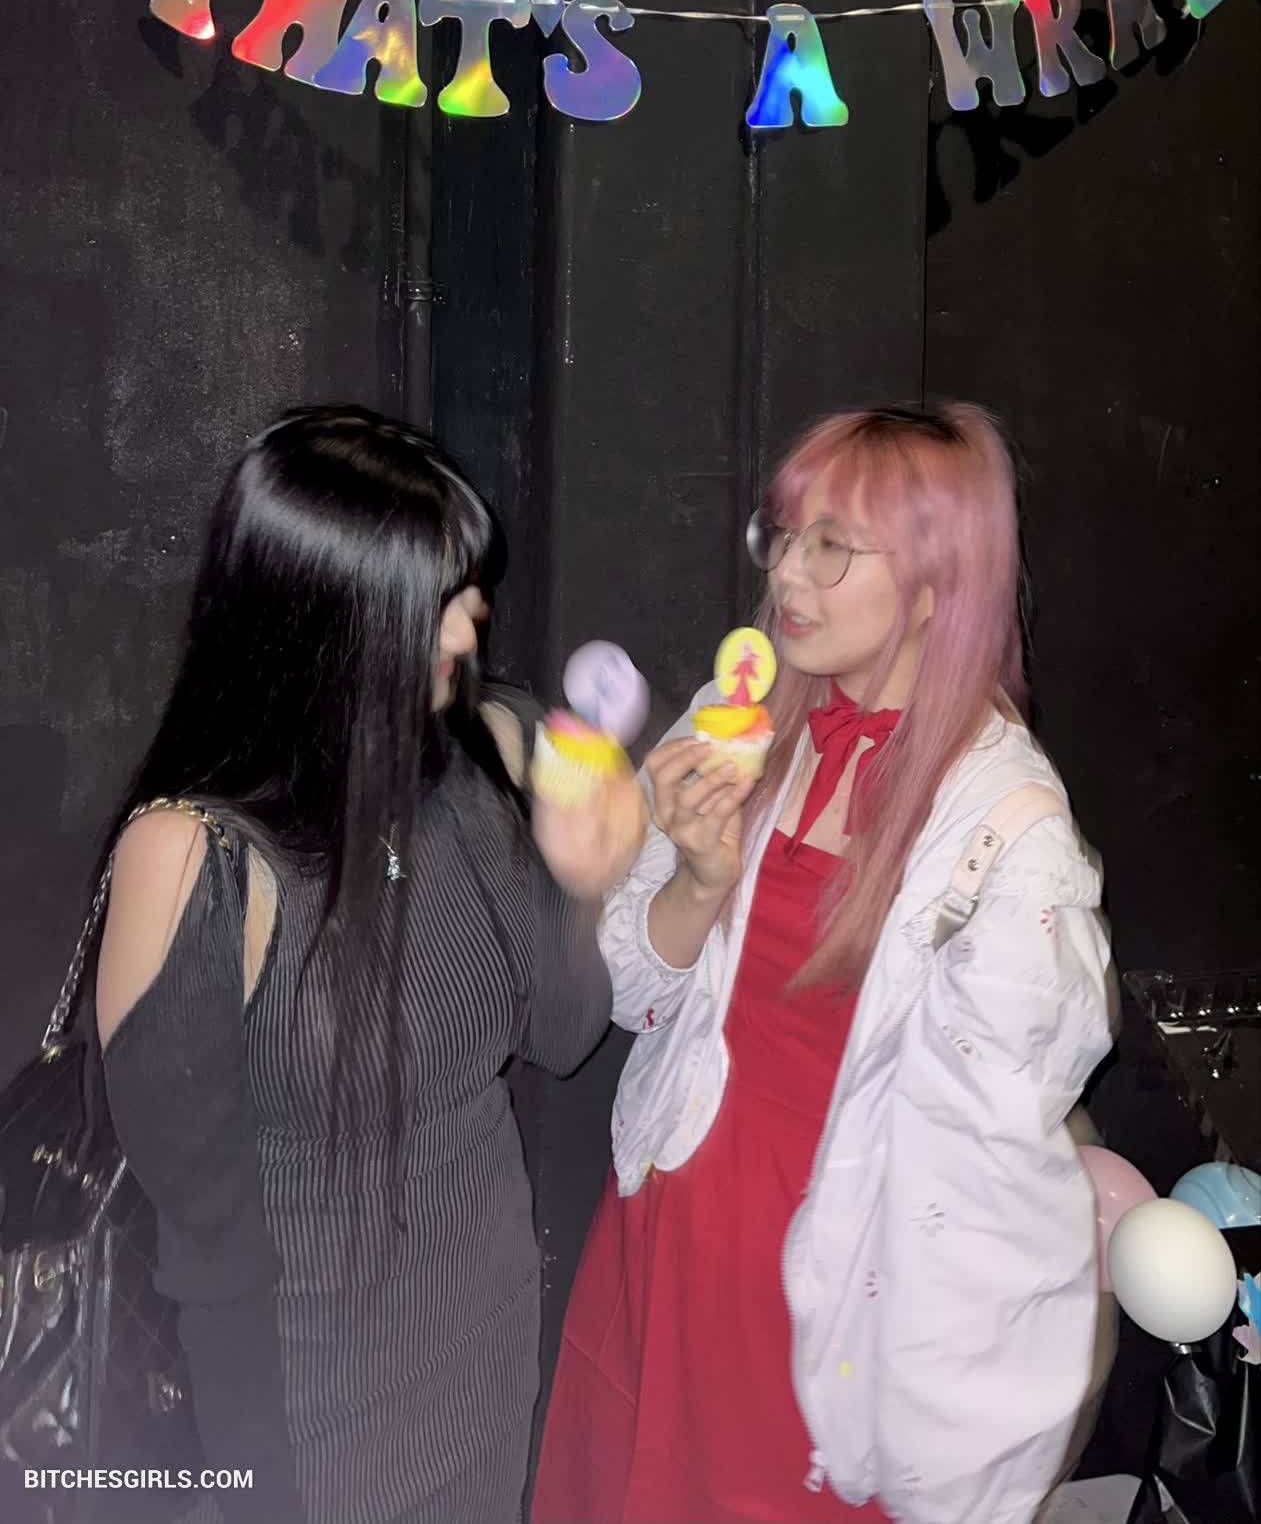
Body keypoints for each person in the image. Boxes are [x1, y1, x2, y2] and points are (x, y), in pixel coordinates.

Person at [532, 403, 1116, 1524]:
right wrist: (698, 877)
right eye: (785, 536)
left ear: (938, 583)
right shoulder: (738, 719)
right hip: (668, 1214)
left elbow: (997, 1139)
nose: (786, 574)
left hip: (844, 1286)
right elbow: (632, 993)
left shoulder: (1010, 831)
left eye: (832, 546)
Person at [93, 406, 644, 1524]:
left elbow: (561, 1033)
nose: (474, 616)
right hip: (310, 1408)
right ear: (326, 609)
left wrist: (584, 886)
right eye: (439, 593)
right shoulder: (195, 854)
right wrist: (256, 1490)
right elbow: (205, 1246)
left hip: (484, 1356)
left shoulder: (485, 748)